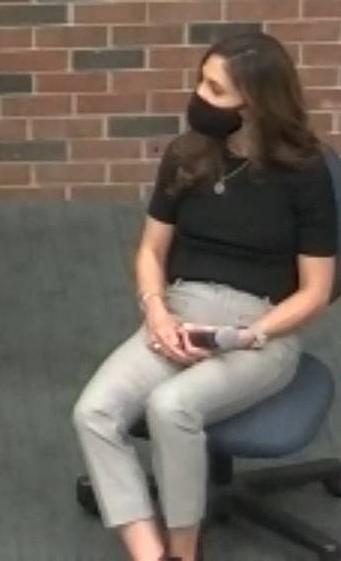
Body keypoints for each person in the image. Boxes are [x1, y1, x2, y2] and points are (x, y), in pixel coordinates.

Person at [72, 32, 337, 561]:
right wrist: (157, 313)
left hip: (263, 329)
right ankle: (149, 553)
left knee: (171, 407)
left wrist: (247, 336)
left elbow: (315, 292)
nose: (199, 97)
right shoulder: (185, 156)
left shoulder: (304, 175)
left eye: (214, 89)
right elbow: (150, 249)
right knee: (94, 412)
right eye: (201, 81)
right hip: (180, 310)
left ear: (255, 103)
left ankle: (185, 551)